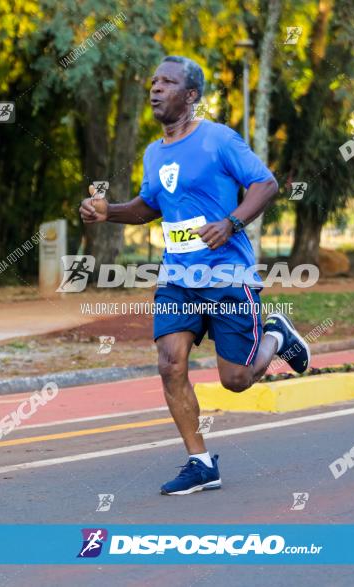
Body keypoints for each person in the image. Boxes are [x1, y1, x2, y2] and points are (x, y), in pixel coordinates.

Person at [79, 55, 310, 495]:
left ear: (190, 96)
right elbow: (149, 207)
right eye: (153, 81)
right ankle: (200, 462)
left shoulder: (218, 139)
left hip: (226, 273)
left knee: (236, 381)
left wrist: (232, 223)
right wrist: (109, 212)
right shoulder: (153, 152)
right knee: (170, 364)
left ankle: (275, 336)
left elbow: (265, 184)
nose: (155, 88)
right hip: (178, 277)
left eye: (167, 82)